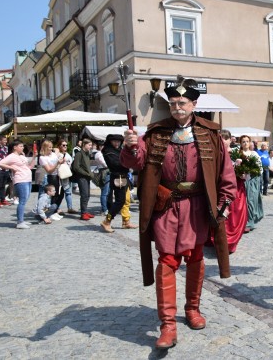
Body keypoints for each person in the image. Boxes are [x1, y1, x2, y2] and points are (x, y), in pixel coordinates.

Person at [121, 76, 236, 349]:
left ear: (194, 104)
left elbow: (225, 171)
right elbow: (137, 162)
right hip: (166, 205)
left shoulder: (211, 134)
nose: (177, 107)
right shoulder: (156, 132)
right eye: (173, 103)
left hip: (197, 205)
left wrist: (225, 200)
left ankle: (193, 309)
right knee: (167, 261)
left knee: (196, 257)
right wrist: (130, 144)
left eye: (182, 103)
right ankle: (168, 325)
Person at [214, 129, 247, 252]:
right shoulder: (216, 154)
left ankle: (231, 242)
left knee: (235, 214)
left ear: (230, 139)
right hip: (220, 187)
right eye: (221, 138)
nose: (223, 140)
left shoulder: (237, 153)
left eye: (225, 138)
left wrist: (242, 172)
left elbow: (245, 171)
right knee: (222, 212)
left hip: (237, 188)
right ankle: (221, 240)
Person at [100, 134, 138, 233]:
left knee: (126, 200)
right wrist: (130, 162)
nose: (117, 143)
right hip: (118, 178)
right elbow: (117, 164)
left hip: (124, 177)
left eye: (118, 141)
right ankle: (107, 221)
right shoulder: (108, 151)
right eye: (114, 141)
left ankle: (126, 222)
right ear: (110, 142)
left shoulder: (119, 150)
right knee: (120, 201)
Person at [0, 140, 36, 229]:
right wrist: (12, 168)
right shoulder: (11, 156)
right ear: (15, 147)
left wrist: (34, 157)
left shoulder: (21, 156)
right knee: (22, 201)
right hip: (20, 179)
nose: (22, 148)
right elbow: (0, 163)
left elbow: (29, 166)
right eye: (21, 146)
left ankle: (21, 219)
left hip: (27, 178)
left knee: (25, 200)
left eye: (23, 146)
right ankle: (20, 222)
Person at [240, 135, 263, 232]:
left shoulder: (254, 154)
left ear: (250, 143)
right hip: (241, 180)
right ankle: (243, 222)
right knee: (242, 202)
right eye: (243, 141)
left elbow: (259, 168)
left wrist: (252, 170)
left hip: (253, 180)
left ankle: (250, 222)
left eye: (247, 141)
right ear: (240, 143)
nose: (245, 143)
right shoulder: (238, 154)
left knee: (251, 201)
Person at [38, 139, 68, 215]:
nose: (51, 149)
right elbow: (49, 170)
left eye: (51, 147)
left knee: (61, 194)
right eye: (49, 147)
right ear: (45, 148)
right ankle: (50, 211)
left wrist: (62, 161)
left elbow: (57, 151)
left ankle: (55, 208)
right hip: (51, 177)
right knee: (53, 195)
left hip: (59, 175)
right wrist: (57, 163)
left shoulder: (53, 154)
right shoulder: (42, 158)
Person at [72, 138, 95, 220]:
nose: (90, 147)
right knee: (84, 195)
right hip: (81, 177)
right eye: (89, 145)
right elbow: (76, 167)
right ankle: (83, 213)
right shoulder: (79, 154)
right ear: (84, 145)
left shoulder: (86, 153)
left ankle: (85, 211)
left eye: (91, 145)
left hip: (86, 177)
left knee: (87, 195)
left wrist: (90, 174)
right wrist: (86, 173)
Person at [56, 140, 78, 213]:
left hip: (67, 175)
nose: (65, 146)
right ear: (59, 146)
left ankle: (70, 207)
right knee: (59, 193)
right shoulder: (57, 154)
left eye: (66, 145)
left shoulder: (67, 154)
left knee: (68, 192)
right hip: (59, 176)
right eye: (63, 145)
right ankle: (57, 208)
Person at [93, 141, 110, 216]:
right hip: (104, 172)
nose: (103, 147)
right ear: (99, 146)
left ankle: (105, 208)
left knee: (107, 191)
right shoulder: (99, 154)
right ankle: (104, 209)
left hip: (107, 172)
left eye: (103, 145)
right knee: (105, 192)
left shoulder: (104, 153)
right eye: (101, 145)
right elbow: (105, 164)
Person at [0, 135, 12, 206]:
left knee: (3, 185)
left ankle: (3, 199)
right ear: (0, 141)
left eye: (6, 140)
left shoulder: (6, 148)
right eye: (4, 140)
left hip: (6, 169)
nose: (6, 142)